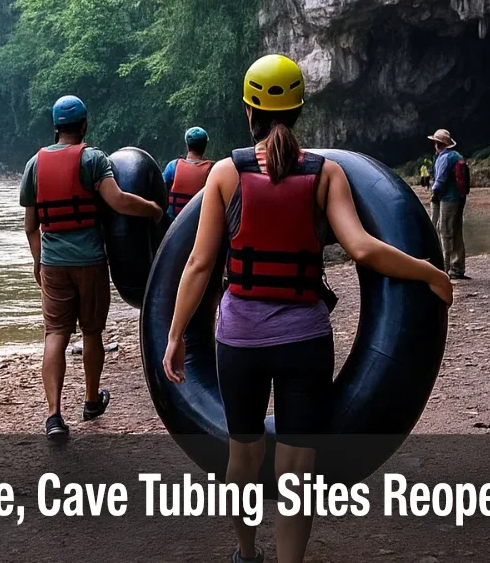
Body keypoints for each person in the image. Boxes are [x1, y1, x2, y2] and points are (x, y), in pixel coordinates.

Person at [162, 55, 454, 563]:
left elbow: (198, 265)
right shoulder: (327, 174)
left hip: (239, 342)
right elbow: (362, 248)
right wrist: (429, 271)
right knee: (297, 469)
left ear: (249, 109)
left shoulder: (226, 174)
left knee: (243, 456)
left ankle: (245, 551)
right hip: (305, 342)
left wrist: (174, 336)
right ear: (300, 109)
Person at [21, 95, 163, 440]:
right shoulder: (93, 158)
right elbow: (118, 200)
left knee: (55, 334)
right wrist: (154, 210)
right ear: (84, 125)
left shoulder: (34, 165)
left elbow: (30, 225)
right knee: (91, 332)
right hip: (90, 261)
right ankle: (90, 399)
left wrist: (38, 263)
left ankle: (54, 415)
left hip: (53, 263)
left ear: (56, 127)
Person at [428, 128, 468, 280]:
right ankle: (458, 267)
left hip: (448, 199)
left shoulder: (444, 158)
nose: (434, 146)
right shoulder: (456, 155)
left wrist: (434, 195)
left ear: (439, 144)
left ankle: (445, 267)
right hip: (459, 197)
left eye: (435, 143)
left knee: (444, 231)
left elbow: (440, 180)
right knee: (456, 231)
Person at [162, 126, 214, 220]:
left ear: (187, 145)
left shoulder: (173, 166)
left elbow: (160, 191)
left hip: (173, 221)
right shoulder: (212, 170)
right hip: (199, 221)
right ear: (205, 146)